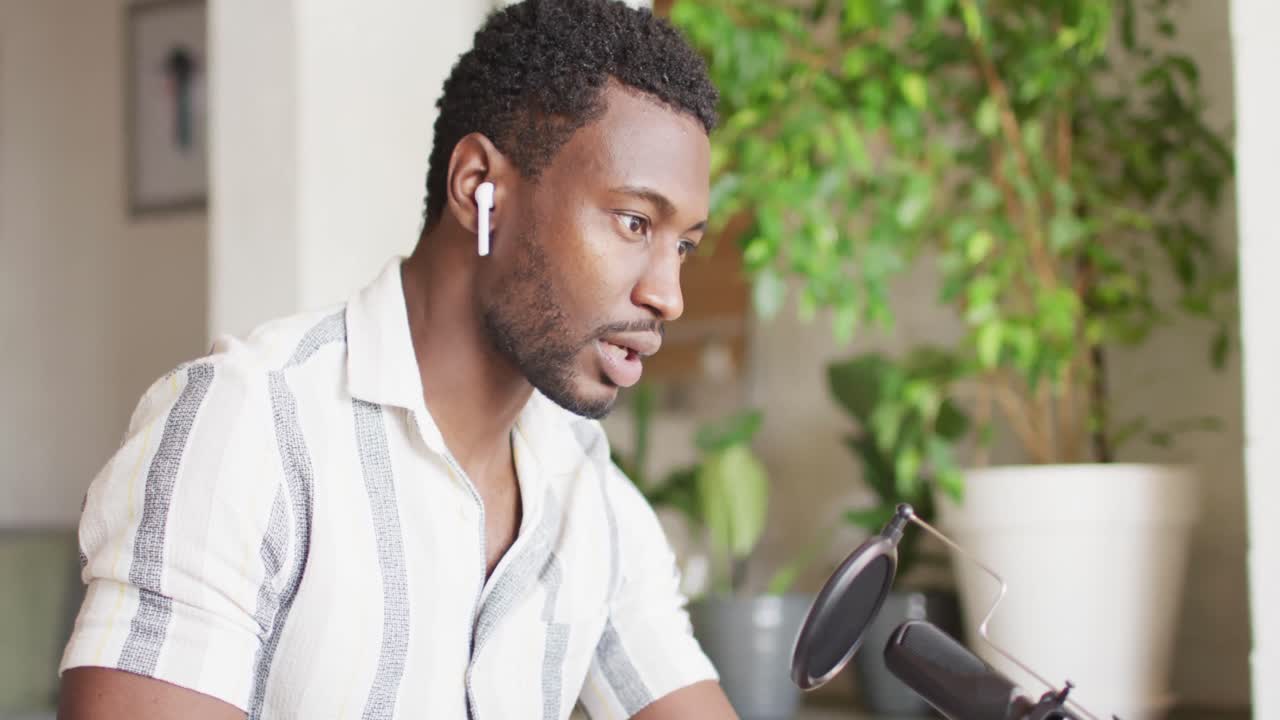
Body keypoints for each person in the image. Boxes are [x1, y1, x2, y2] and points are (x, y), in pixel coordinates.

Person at [56, 0, 738, 718]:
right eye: (634, 223)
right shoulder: (247, 434)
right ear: (480, 188)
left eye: (684, 246)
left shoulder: (591, 495)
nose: (669, 294)